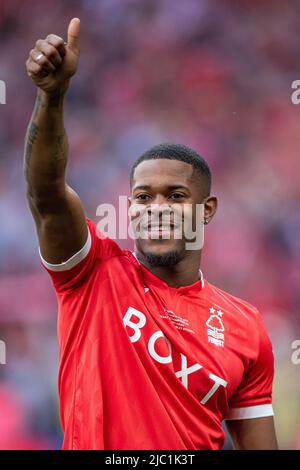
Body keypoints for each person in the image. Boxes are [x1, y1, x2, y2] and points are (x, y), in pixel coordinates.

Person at [24, 18, 278, 450]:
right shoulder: (92, 273)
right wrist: (52, 97)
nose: (157, 209)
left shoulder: (245, 326)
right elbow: (46, 194)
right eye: (143, 198)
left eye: (176, 196)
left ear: (207, 209)